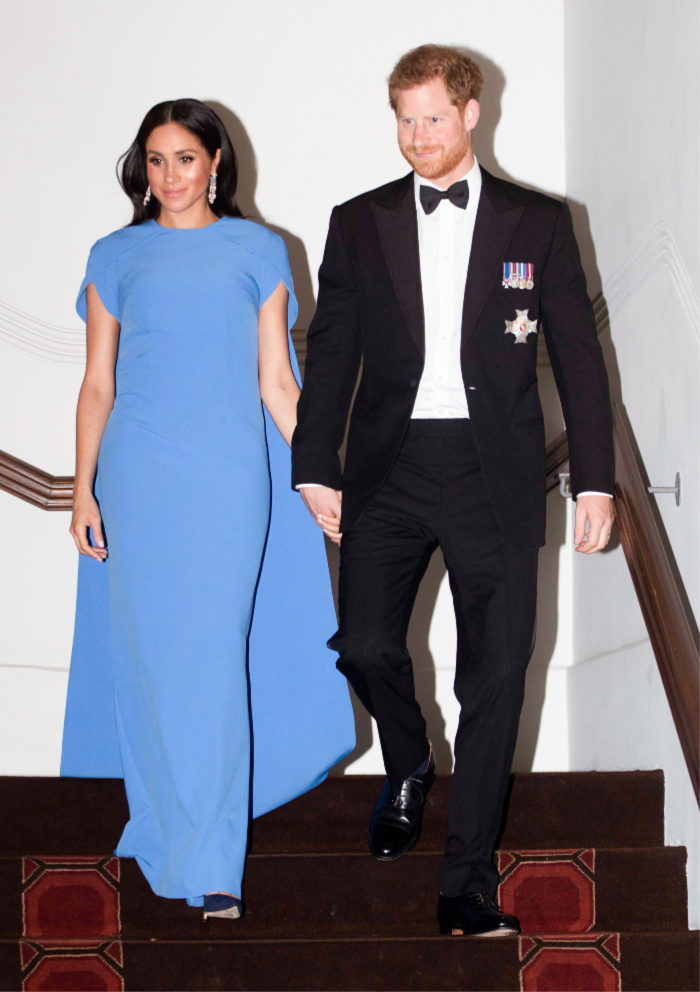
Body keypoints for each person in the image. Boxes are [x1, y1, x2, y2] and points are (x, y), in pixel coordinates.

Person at [293, 45, 615, 937]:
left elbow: (581, 364)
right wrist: (315, 463)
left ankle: (465, 881)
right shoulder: (358, 222)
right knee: (361, 642)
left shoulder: (538, 222)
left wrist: (594, 480)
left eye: (433, 118)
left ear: (471, 114)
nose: (417, 136)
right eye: (405, 119)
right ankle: (407, 763)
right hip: (388, 470)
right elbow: (332, 354)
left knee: (498, 676)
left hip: (496, 476)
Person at [62, 99, 354, 921]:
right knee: (154, 661)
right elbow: (96, 385)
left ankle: (216, 858)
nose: (169, 176)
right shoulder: (114, 254)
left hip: (227, 477)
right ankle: (162, 830)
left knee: (216, 659)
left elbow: (276, 384)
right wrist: (83, 487)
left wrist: (320, 477)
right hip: (139, 477)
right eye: (155, 161)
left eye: (184, 158)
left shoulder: (258, 249)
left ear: (217, 161)